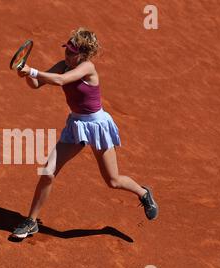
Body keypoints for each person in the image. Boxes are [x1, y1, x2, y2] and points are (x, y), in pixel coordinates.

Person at [11, 27, 158, 239]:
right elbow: (36, 84)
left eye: (72, 52)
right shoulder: (63, 66)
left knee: (113, 181)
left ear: (84, 54)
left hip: (98, 127)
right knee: (48, 172)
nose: (67, 55)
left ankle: (143, 193)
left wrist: (33, 70)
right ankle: (31, 221)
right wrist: (24, 73)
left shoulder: (88, 67)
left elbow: (60, 81)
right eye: (66, 50)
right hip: (76, 126)